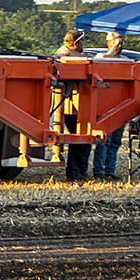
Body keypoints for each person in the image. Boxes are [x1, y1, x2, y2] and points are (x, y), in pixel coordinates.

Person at [54, 30, 92, 183]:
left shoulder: (69, 55)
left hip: (77, 106)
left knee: (83, 141)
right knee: (79, 140)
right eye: (82, 42)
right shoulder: (65, 55)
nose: (83, 45)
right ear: (75, 43)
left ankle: (80, 171)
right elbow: (64, 54)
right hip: (73, 107)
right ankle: (74, 172)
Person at [90, 32, 127, 182]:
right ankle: (99, 171)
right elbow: (101, 62)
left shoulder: (125, 60)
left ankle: (109, 170)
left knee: (115, 142)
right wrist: (113, 49)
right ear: (108, 42)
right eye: (117, 42)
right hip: (104, 108)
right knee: (104, 140)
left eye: (122, 42)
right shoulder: (100, 57)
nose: (120, 45)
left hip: (120, 106)